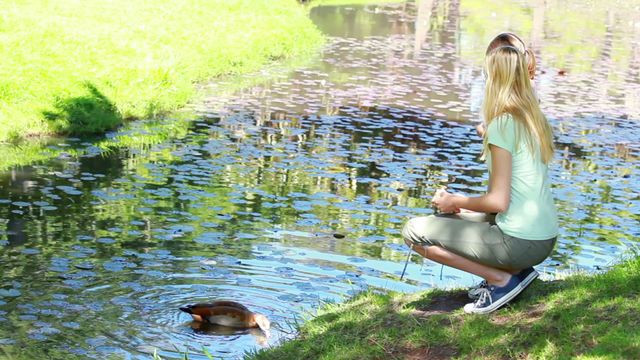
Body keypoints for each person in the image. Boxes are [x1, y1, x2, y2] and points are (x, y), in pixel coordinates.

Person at [402, 35, 558, 314]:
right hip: (544, 237)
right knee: (447, 217)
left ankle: (501, 280)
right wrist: (458, 206)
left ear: (494, 80)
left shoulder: (503, 124)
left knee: (413, 231)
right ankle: (518, 273)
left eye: (486, 76)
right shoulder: (534, 119)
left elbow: (498, 201)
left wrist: (454, 200)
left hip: (521, 242)